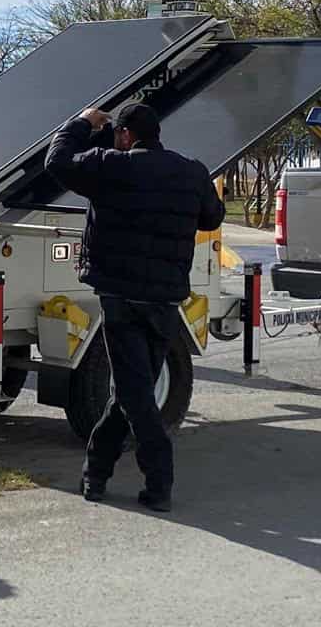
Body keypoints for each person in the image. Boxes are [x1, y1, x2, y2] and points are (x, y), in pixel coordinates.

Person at [45, 102, 224, 512]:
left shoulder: (112, 165)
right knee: (129, 392)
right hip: (164, 301)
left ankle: (159, 479)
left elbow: (57, 161)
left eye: (115, 134)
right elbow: (212, 218)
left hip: (121, 297)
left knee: (133, 394)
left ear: (125, 135)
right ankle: (95, 476)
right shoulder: (191, 171)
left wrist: (83, 123)